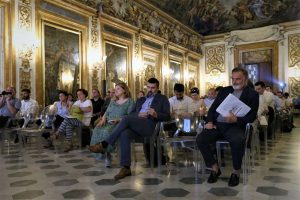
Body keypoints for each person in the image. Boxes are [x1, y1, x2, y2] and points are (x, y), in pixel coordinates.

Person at [89, 78, 170, 180]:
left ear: (157, 87)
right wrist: (139, 113)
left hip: (150, 126)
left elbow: (167, 116)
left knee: (126, 119)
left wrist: (156, 114)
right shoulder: (141, 100)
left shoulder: (162, 99)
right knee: (124, 133)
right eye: (148, 87)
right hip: (137, 124)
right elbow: (132, 113)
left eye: (153, 88)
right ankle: (126, 167)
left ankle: (104, 144)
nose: (150, 89)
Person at [196, 67, 259, 187]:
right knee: (200, 139)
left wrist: (237, 119)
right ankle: (215, 168)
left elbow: (251, 117)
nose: (234, 82)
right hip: (218, 125)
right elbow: (212, 109)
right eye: (233, 79)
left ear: (245, 79)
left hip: (235, 126)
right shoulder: (225, 91)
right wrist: (209, 121)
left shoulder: (252, 94)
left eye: (238, 79)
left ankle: (236, 171)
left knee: (238, 140)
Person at [90, 82, 134, 167]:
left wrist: (118, 120)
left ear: (124, 90)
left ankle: (106, 152)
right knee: (97, 129)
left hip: (121, 123)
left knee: (107, 131)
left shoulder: (130, 101)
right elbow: (107, 112)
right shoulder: (113, 101)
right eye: (115, 88)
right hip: (108, 121)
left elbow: (130, 115)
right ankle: (106, 154)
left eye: (118, 89)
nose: (115, 91)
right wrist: (103, 119)